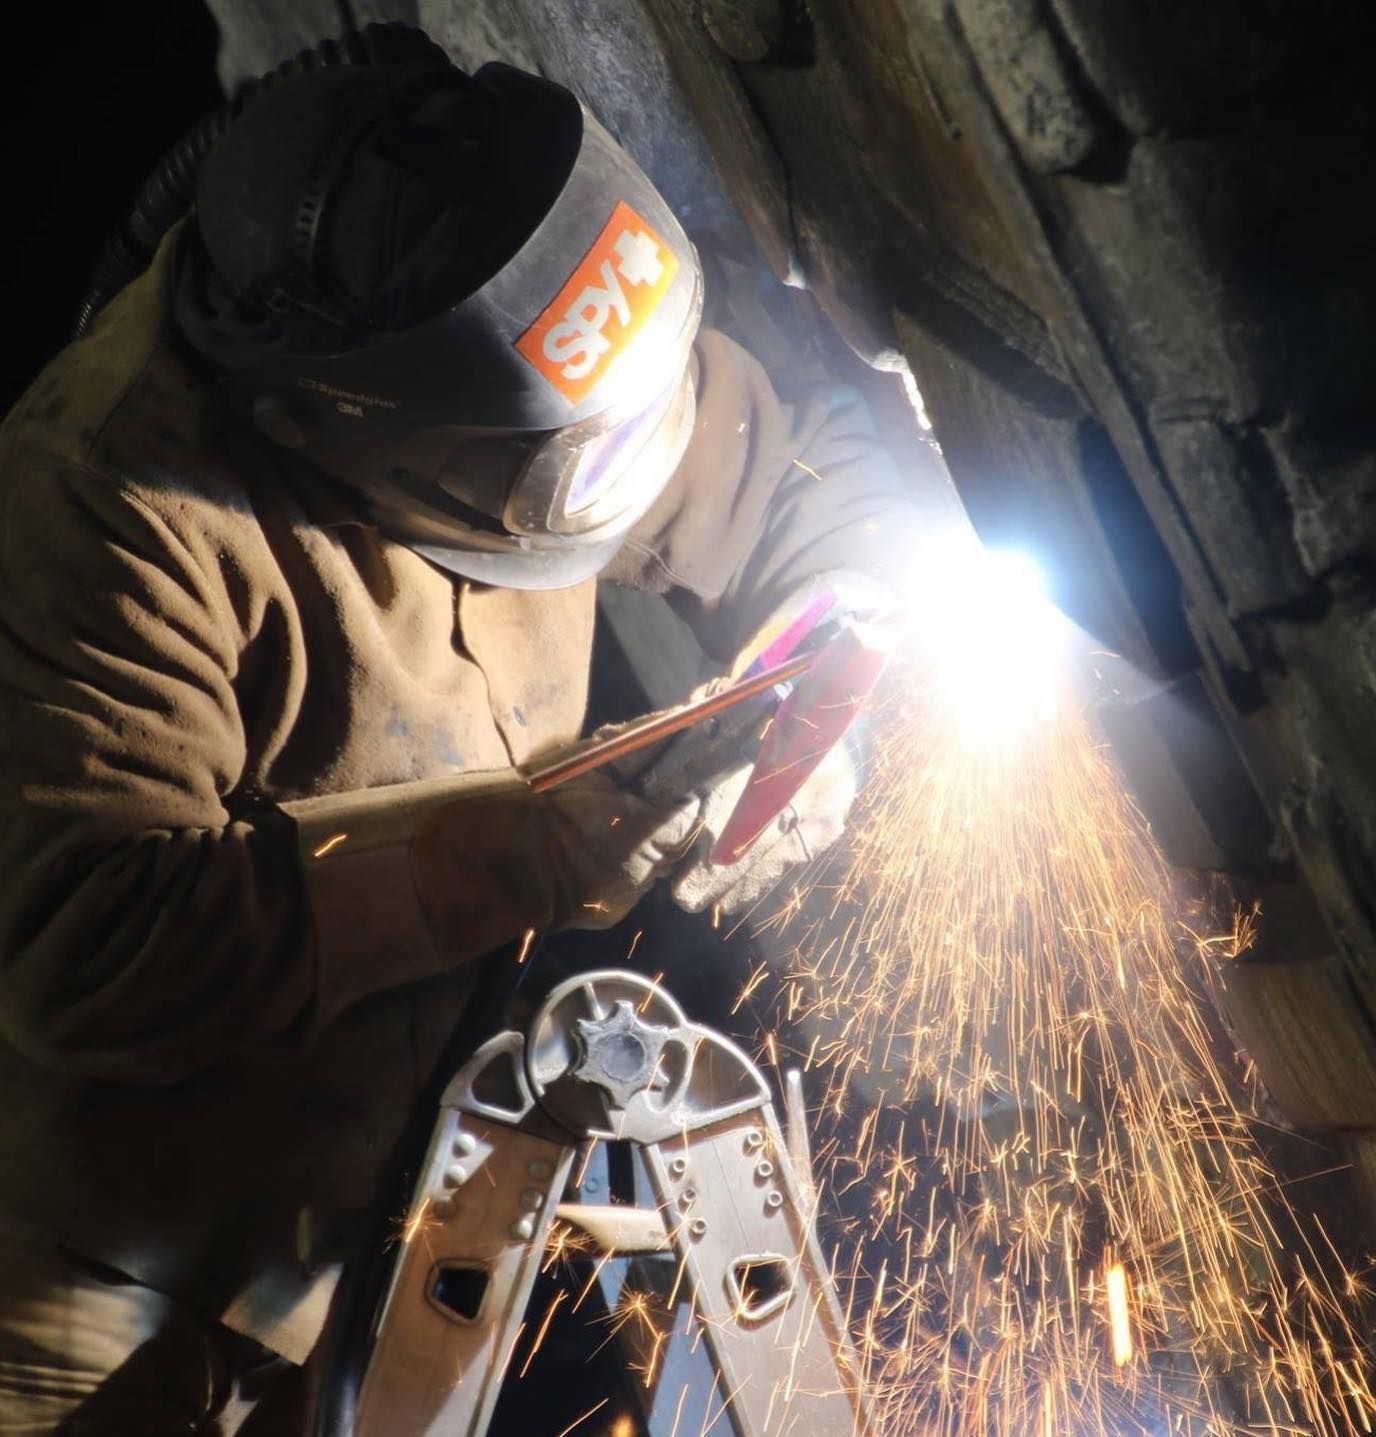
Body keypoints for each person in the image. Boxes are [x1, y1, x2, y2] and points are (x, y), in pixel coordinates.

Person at [0, 28, 915, 1434]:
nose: (637, 463)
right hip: (107, 1273)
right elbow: (88, 940)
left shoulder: (513, 334)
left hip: (379, 1193)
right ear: (367, 435)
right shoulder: (112, 507)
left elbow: (755, 464)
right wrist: (532, 851)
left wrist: (840, 617)